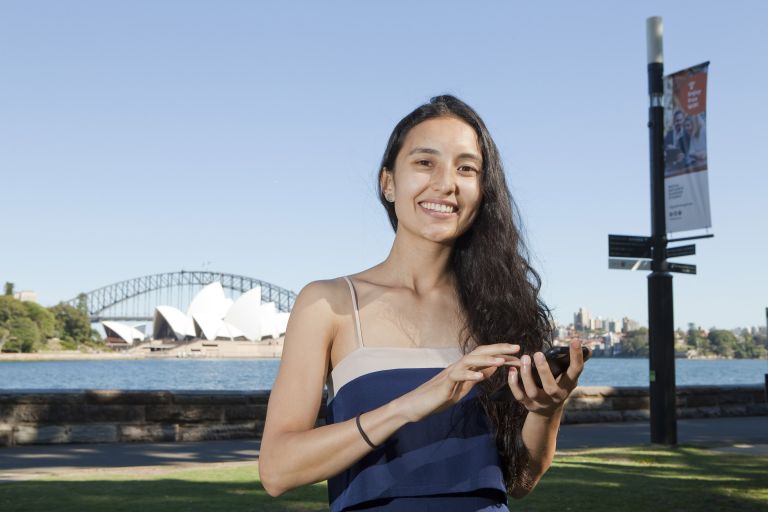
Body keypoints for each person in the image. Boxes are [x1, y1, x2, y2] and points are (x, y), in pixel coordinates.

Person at [258, 95, 590, 511]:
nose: (446, 183)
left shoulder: (500, 310)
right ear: (388, 183)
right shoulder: (327, 303)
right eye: (425, 162)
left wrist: (547, 410)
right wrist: (409, 406)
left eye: (466, 168)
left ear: (482, 191)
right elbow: (276, 471)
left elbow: (520, 480)